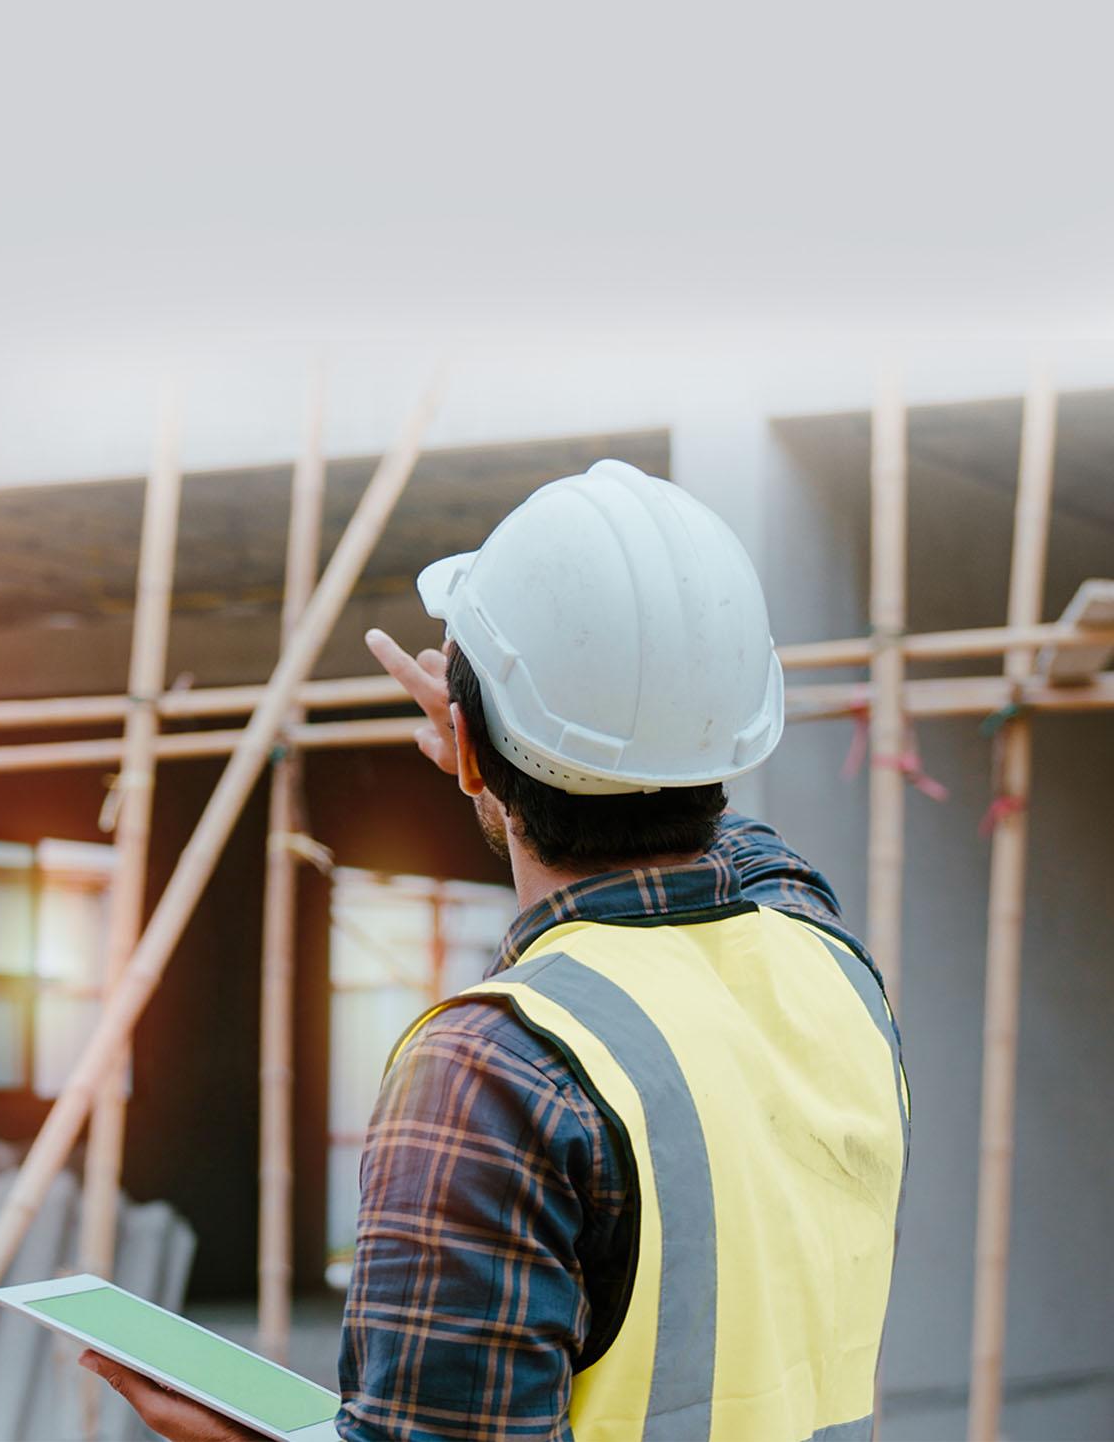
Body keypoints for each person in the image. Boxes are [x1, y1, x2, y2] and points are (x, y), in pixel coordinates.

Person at [84, 460, 908, 1442]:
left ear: (465, 746)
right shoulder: (828, 960)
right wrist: (510, 746)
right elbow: (745, 854)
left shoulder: (494, 1070)